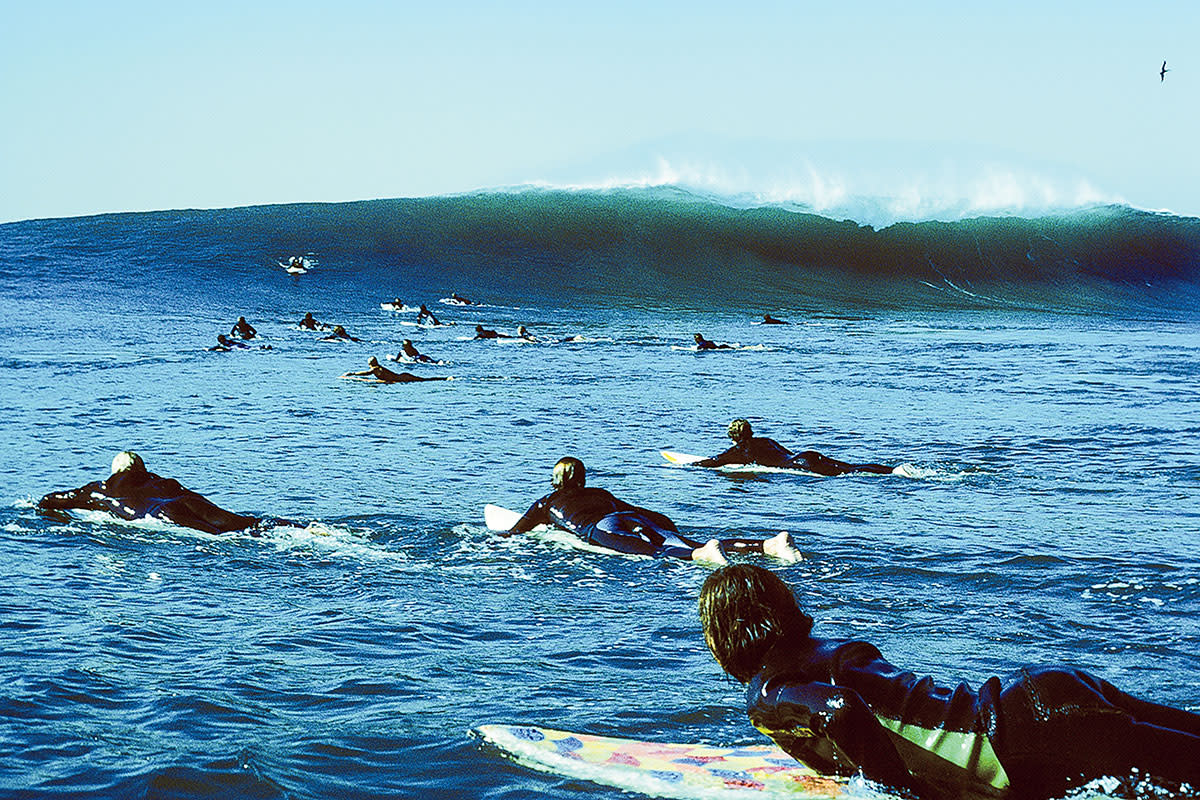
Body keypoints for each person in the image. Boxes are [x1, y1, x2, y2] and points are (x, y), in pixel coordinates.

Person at [698, 564, 1200, 800]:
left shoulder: (766, 692)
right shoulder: (820, 651)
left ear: (726, 635)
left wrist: (888, 794)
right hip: (1043, 694)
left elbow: (841, 711)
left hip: (1021, 737)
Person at [506, 458, 798, 564]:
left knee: (655, 553)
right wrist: (666, 527)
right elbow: (637, 511)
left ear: (556, 481)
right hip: (634, 517)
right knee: (690, 541)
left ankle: (700, 556)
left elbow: (515, 531)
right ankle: (769, 545)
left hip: (603, 528)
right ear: (581, 479)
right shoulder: (600, 492)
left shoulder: (546, 502)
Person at [36, 452, 281, 534]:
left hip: (160, 513)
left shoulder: (100, 489)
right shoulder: (161, 481)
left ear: (116, 469)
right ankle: (303, 528)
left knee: (219, 538)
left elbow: (51, 500)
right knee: (248, 525)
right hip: (189, 501)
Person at [695, 419, 894, 476]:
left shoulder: (739, 449)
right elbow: (786, 452)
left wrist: (691, 465)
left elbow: (715, 462)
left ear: (733, 436)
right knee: (851, 467)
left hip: (800, 464)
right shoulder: (767, 440)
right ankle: (893, 470)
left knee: (848, 472)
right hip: (805, 455)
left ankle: (892, 472)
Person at [341, 356, 449, 384]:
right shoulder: (378, 368)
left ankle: (445, 378)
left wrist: (352, 374)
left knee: (425, 380)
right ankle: (444, 378)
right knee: (425, 379)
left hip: (402, 378)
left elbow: (366, 373)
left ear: (371, 363)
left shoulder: (376, 368)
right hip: (402, 376)